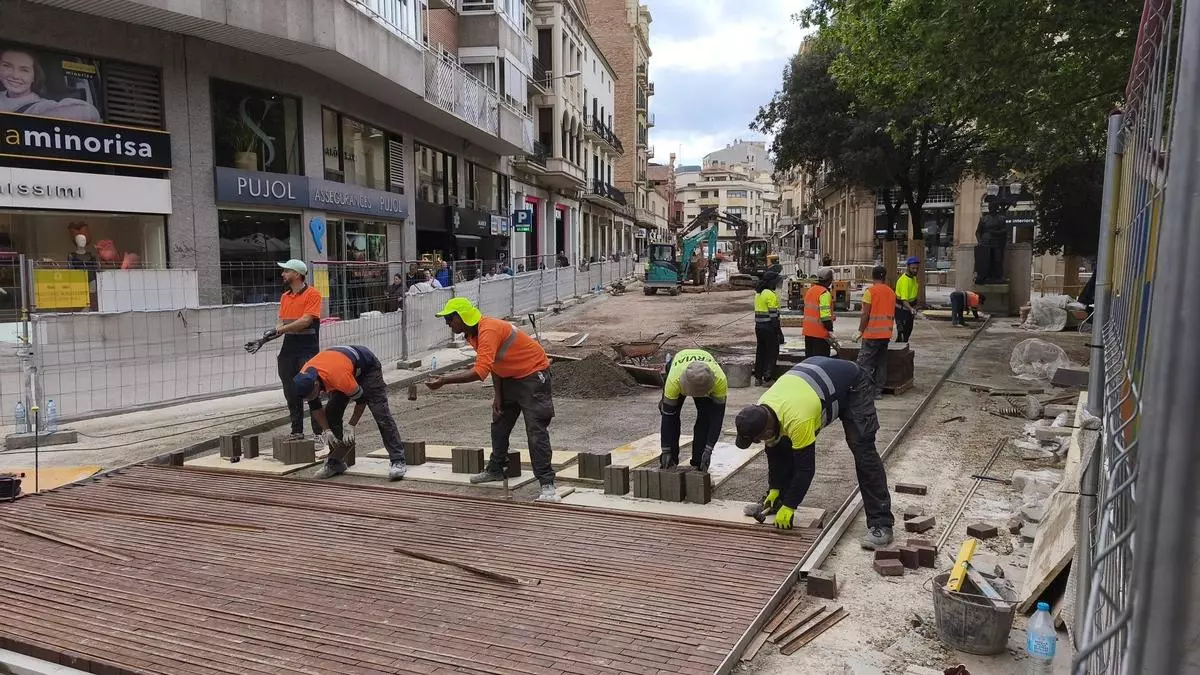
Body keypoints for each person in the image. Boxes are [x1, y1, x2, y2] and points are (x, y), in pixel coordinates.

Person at [734, 357, 895, 548]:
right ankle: (777, 502)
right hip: (814, 381)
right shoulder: (763, 409)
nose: (760, 442)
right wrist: (775, 488)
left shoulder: (798, 419)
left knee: (863, 450)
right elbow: (775, 453)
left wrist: (791, 505)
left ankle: (881, 523)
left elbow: (806, 469)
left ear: (767, 429)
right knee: (783, 445)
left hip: (853, 384)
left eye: (758, 439)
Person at [425, 297, 561, 502]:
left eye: (450, 319)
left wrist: (444, 380)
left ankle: (547, 484)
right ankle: (496, 469)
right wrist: (498, 395)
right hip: (510, 377)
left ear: (462, 317)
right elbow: (494, 364)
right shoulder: (472, 334)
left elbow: (480, 371)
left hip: (533, 375)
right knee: (499, 423)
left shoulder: (488, 330)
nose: (447, 324)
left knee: (535, 430)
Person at [294, 345, 407, 481]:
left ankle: (398, 460)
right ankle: (335, 462)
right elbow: (315, 407)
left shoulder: (339, 378)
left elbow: (361, 400)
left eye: (311, 395)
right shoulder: (305, 379)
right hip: (343, 366)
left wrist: (351, 425)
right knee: (332, 413)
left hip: (367, 368)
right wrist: (327, 430)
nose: (311, 399)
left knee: (380, 413)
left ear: (316, 385)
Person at [273, 260, 324, 443]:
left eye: (286, 271)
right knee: (291, 392)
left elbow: (306, 321)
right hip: (288, 350)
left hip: (307, 350)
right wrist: (274, 331)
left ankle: (319, 434)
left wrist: (281, 329)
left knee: (311, 390)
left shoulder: (313, 294)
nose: (283, 274)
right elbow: (280, 320)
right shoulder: (285, 297)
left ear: (297, 274)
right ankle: (297, 431)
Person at [659, 350, 728, 471]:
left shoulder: (719, 381)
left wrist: (708, 449)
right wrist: (666, 449)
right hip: (677, 366)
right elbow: (668, 417)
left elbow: (716, 418)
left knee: (705, 417)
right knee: (672, 415)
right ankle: (671, 461)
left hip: (705, 375)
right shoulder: (674, 381)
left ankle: (698, 461)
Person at [0, 48, 101, 121]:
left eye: (24, 70)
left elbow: (90, 113)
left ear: (34, 76)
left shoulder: (42, 107)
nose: (15, 75)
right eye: (7, 66)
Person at [854, 266, 895, 399]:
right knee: (881, 362)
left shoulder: (870, 291)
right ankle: (877, 391)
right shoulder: (891, 292)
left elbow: (865, 314)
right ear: (884, 277)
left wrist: (860, 330)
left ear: (872, 276)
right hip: (885, 334)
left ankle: (863, 390)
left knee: (864, 363)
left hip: (872, 334)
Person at [753, 271, 785, 386]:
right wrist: (779, 332)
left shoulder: (758, 293)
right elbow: (773, 316)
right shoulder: (770, 295)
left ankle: (758, 378)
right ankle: (767, 378)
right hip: (769, 327)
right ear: (771, 282)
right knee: (772, 352)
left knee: (760, 351)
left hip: (759, 327)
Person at [802, 267, 837, 358]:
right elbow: (825, 316)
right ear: (830, 280)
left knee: (810, 360)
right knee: (821, 360)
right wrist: (830, 330)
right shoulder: (824, 293)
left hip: (808, 332)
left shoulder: (810, 290)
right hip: (820, 334)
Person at [894, 256, 920, 343]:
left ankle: (901, 348)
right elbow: (904, 300)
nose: (915, 270)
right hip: (902, 311)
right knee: (902, 333)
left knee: (907, 332)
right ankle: (899, 349)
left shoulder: (913, 278)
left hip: (908, 310)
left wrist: (915, 306)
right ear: (908, 267)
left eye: (917, 268)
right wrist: (911, 309)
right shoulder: (904, 281)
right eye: (913, 268)